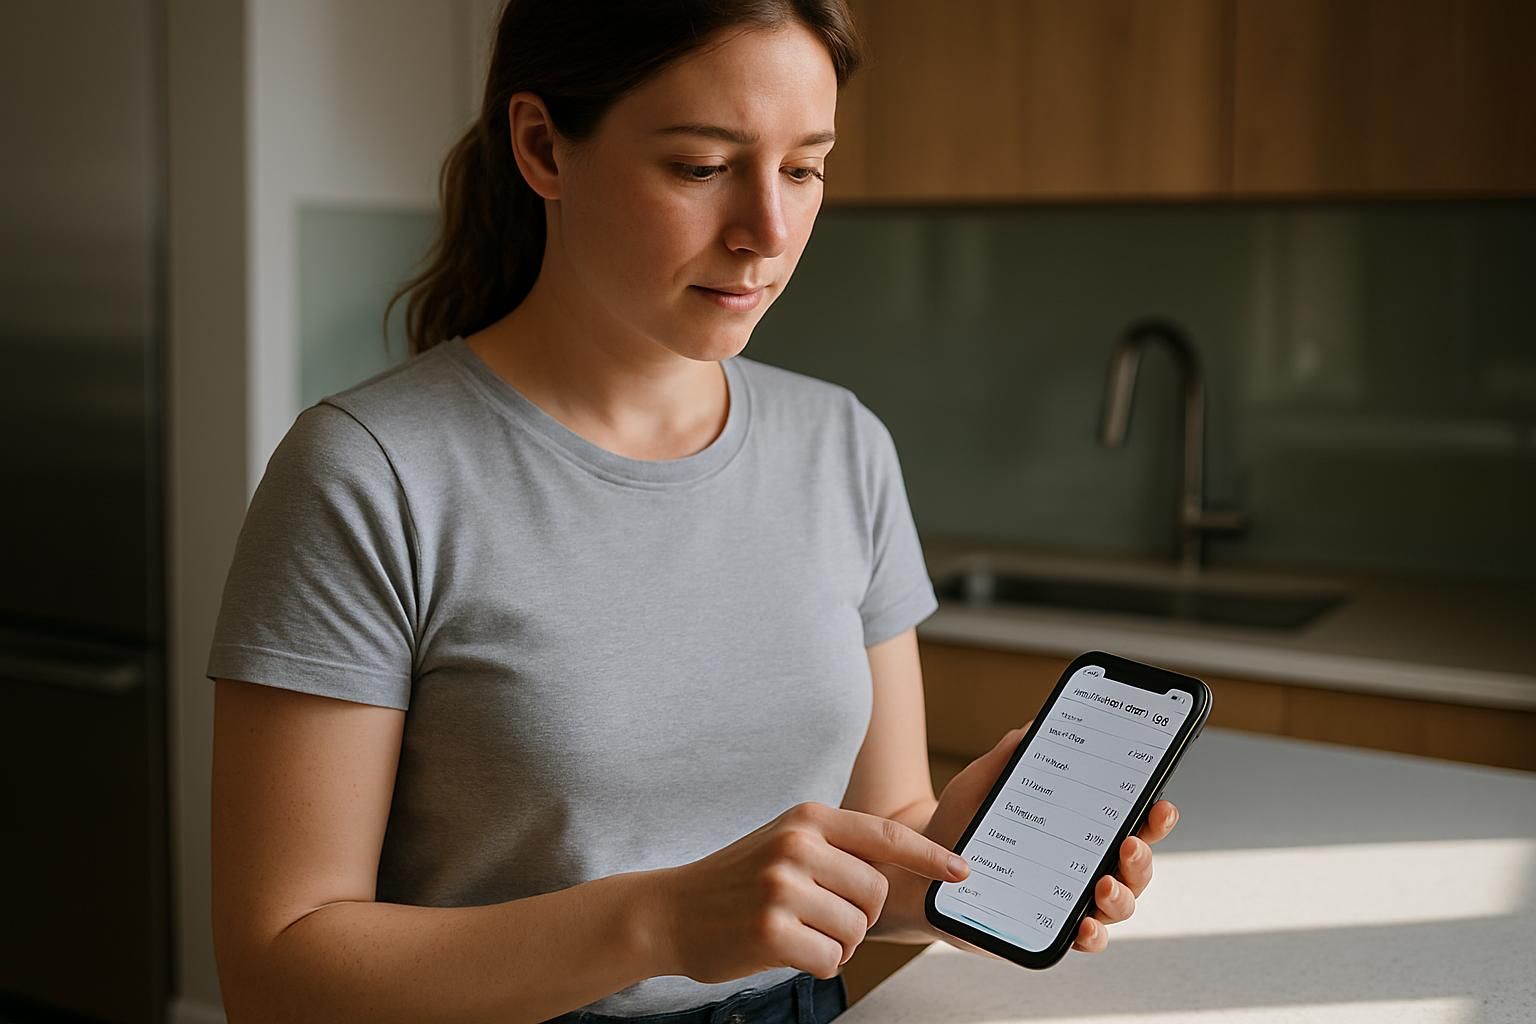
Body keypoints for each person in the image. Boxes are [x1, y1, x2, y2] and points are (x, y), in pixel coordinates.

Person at [206, 2, 1182, 1022]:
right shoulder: (369, 473)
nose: (767, 230)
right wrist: (662, 922)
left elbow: (872, 832)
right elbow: (277, 970)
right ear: (543, 146)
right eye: (703, 167)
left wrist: (951, 860)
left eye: (803, 169)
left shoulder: (842, 445)